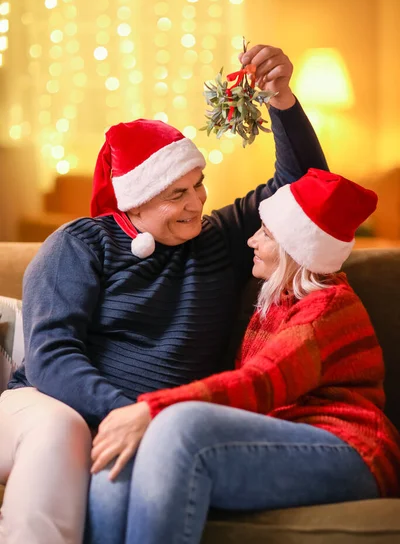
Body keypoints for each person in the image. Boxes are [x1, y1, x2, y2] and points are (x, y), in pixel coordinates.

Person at [0, 44, 328, 544]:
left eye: (198, 185)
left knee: (122, 472)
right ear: (134, 201)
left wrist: (280, 100)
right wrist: (129, 413)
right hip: (49, 407)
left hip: (159, 433)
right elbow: (52, 357)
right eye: (177, 194)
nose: (197, 202)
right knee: (62, 433)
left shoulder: (220, 237)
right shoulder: (78, 244)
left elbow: (306, 187)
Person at [89, 168, 400, 544]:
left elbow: (262, 382)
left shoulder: (325, 308)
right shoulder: (276, 298)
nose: (251, 239)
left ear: (295, 248)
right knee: (124, 454)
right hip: (287, 438)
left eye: (265, 233)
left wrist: (150, 408)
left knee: (178, 426)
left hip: (351, 450)